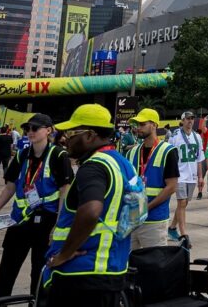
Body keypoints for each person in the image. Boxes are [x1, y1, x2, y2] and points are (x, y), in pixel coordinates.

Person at [42, 104, 138, 306]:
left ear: (90, 135)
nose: (65, 138)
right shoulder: (123, 164)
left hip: (82, 276)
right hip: (113, 269)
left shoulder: (93, 167)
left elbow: (91, 211)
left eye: (71, 132)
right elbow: (135, 216)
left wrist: (64, 254)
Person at [0, 113, 73, 300]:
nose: (30, 132)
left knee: (39, 275)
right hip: (19, 220)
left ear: (48, 130)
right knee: (6, 271)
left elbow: (65, 191)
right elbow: (10, 187)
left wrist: (59, 226)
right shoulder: (22, 155)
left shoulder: (58, 156)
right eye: (27, 129)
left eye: (35, 128)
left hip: (46, 222)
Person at [127, 108, 179, 249]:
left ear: (154, 125)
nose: (138, 128)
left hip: (154, 221)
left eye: (143, 124)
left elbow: (172, 187)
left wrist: (146, 208)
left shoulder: (168, 151)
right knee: (130, 265)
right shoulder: (131, 152)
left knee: (154, 264)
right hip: (131, 220)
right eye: (137, 124)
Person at [167, 110, 204, 242]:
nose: (190, 121)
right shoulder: (175, 136)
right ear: (182, 121)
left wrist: (200, 176)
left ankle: (172, 228)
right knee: (181, 202)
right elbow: (169, 156)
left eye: (192, 119)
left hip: (192, 175)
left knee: (184, 203)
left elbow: (199, 158)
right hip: (179, 175)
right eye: (187, 119)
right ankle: (183, 235)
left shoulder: (197, 137)